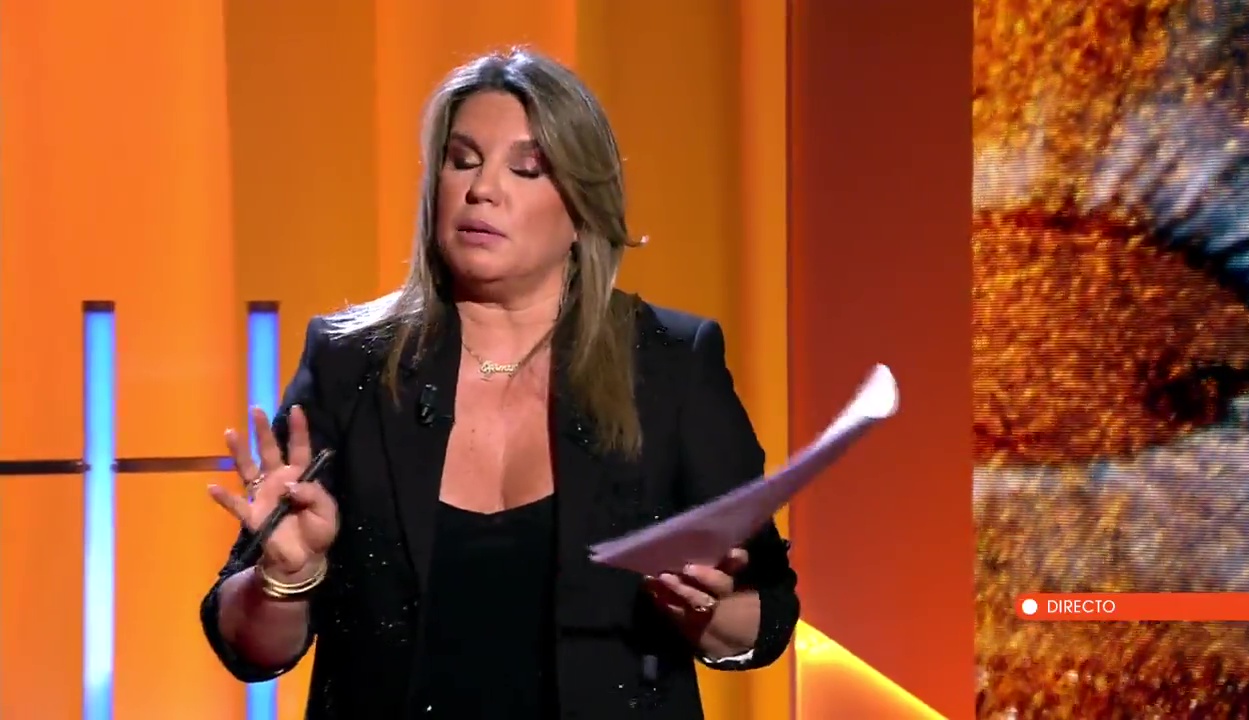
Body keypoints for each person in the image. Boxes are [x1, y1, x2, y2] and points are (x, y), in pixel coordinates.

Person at [199, 47, 800, 719]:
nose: (481, 189)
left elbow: (767, 616)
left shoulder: (671, 365)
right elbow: (252, 647)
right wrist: (285, 579)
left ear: (582, 206)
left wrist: (707, 614)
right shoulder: (350, 364)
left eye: (526, 168)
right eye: (462, 161)